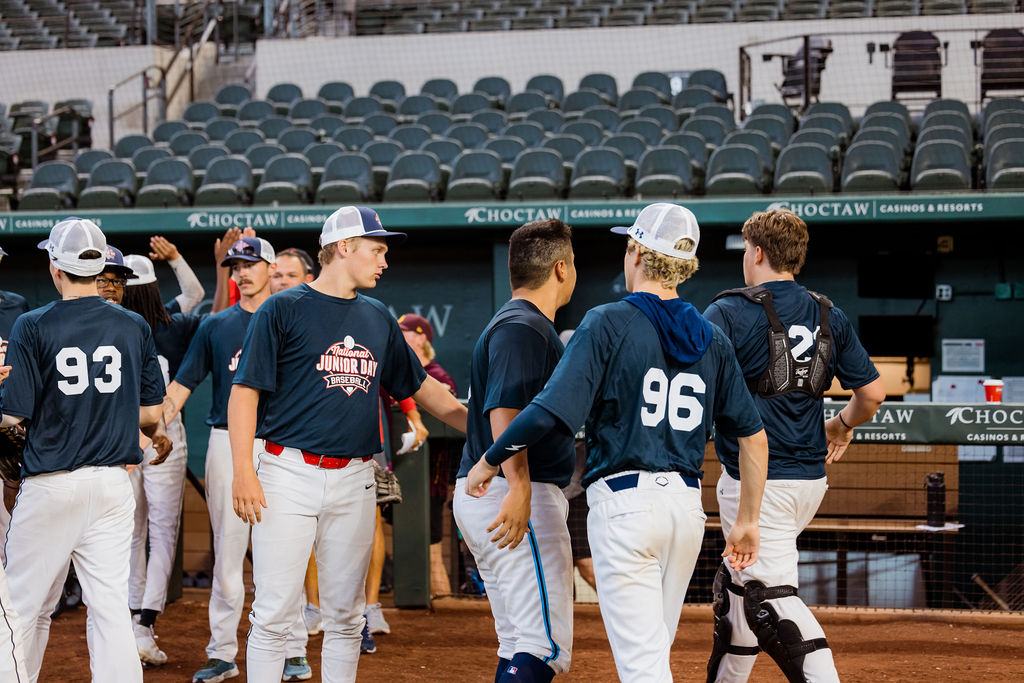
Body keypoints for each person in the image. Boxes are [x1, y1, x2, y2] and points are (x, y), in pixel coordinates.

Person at [466, 203, 770, 683]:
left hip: (626, 506)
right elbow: (753, 438)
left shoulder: (607, 321)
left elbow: (547, 410)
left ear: (637, 254)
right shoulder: (713, 338)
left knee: (643, 667)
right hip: (686, 509)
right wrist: (748, 519)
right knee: (653, 654)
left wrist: (490, 459)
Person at [228, 205, 467, 683]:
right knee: (274, 614)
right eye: (376, 250)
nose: (384, 261)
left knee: (346, 616)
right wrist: (242, 471)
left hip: (355, 477)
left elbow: (423, 388)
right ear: (343, 247)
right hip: (287, 471)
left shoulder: (377, 316)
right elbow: (245, 392)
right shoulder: (282, 308)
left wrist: (484, 427)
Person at [702, 209, 885, 683]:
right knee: (740, 596)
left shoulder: (728, 311)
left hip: (758, 485)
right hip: (809, 482)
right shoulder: (828, 312)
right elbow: (871, 395)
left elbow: (695, 385)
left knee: (770, 601)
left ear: (757, 252)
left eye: (747, 249)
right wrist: (840, 425)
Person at [2, 217, 169, 683]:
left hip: (51, 483)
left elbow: (11, 418)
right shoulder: (133, 324)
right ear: (99, 269)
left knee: (20, 606)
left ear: (55, 268)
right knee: (110, 609)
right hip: (113, 485)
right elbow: (151, 413)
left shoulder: (31, 324)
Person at [162, 236, 306, 683]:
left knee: (287, 547)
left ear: (270, 268)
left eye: (250, 264)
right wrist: (150, 426)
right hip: (227, 442)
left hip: (283, 443)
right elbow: (182, 385)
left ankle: (294, 648)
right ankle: (222, 652)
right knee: (228, 550)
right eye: (235, 266)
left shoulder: (293, 319)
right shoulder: (216, 325)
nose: (241, 273)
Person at [453, 219, 578, 683]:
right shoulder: (525, 327)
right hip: (514, 492)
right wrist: (520, 486)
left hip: (493, 491)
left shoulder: (514, 322)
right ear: (561, 268)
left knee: (518, 642)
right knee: (544, 647)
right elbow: (505, 411)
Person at [121, 252, 206, 666]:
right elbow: (195, 293)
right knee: (162, 531)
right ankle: (145, 625)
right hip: (165, 432)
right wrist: (175, 258)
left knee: (131, 532)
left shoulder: (115, 326)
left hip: (122, 435)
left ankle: (132, 619)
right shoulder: (177, 324)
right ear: (155, 289)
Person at [398, 312, 457, 603]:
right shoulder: (397, 371)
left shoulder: (436, 374)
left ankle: (444, 605)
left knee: (432, 548)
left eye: (405, 331)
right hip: (400, 471)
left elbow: (449, 404)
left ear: (421, 338)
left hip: (430, 479)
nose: (400, 335)